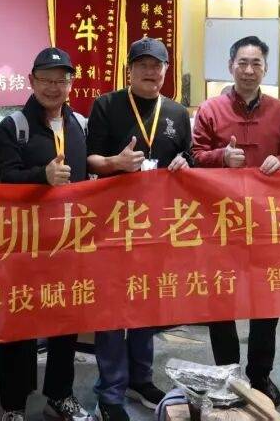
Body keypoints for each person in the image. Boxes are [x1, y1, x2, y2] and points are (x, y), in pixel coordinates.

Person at [86, 37, 193, 421]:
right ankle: (111, 390)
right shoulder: (106, 105)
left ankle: (140, 379)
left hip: (157, 226)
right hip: (112, 224)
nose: (151, 71)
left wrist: (185, 163)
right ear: (129, 70)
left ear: (166, 71)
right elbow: (89, 160)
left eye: (157, 65)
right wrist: (115, 162)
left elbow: (188, 156)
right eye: (143, 65)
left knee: (147, 303)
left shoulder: (177, 112)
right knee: (112, 309)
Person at [191, 35, 280, 406]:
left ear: (265, 69)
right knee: (221, 302)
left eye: (256, 63)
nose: (249, 70)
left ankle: (259, 375)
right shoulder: (210, 110)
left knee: (265, 303)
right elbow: (195, 155)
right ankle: (227, 375)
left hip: (267, 224)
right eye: (243, 62)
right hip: (221, 222)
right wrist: (221, 157)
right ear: (230, 66)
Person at [0, 48, 92, 421]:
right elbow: (2, 182)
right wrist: (41, 177)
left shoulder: (79, 124)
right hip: (25, 245)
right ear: (31, 81)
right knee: (19, 323)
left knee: (66, 322)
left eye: (61, 80)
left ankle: (60, 394)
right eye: (46, 80)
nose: (53, 87)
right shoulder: (13, 127)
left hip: (70, 242)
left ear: (71, 84)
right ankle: (13, 405)